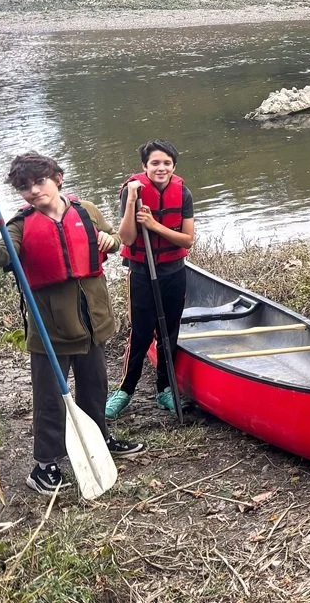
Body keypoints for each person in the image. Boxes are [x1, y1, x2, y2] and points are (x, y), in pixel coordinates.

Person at [0, 152, 143, 497]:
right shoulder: (19, 225)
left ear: (58, 179)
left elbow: (110, 236)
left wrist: (109, 239)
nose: (34, 191)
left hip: (92, 320)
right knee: (50, 398)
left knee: (95, 386)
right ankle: (45, 464)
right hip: (50, 328)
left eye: (40, 182)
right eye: (25, 187)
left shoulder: (85, 209)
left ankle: (100, 437)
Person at [106, 140, 196, 419]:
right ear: (144, 167)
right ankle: (124, 391)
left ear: (174, 166)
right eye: (155, 163)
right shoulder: (132, 192)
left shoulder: (183, 194)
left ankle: (164, 389)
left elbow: (188, 239)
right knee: (142, 332)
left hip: (173, 271)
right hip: (142, 272)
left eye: (167, 163)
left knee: (170, 332)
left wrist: (155, 226)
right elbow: (128, 238)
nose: (161, 168)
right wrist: (132, 201)